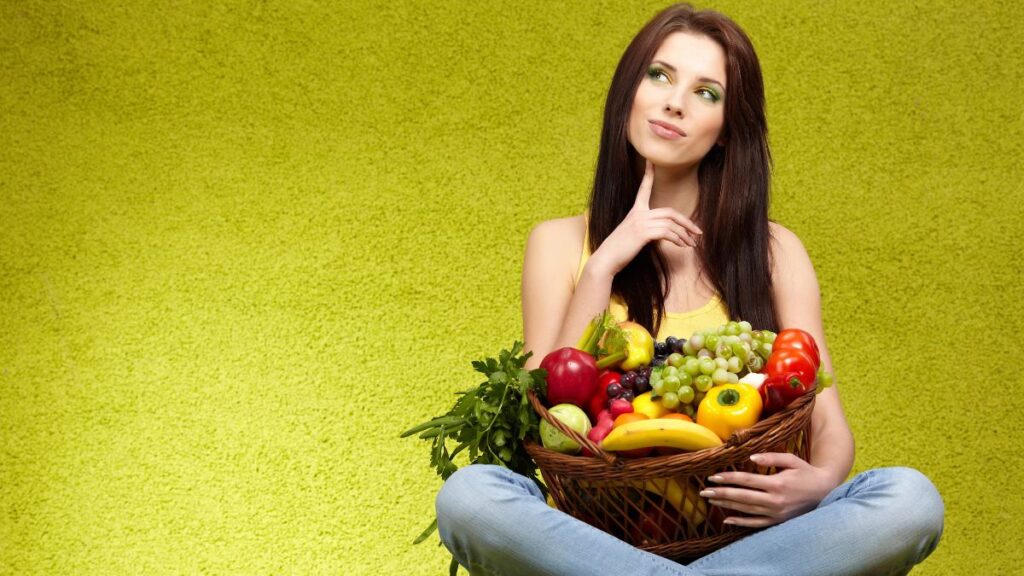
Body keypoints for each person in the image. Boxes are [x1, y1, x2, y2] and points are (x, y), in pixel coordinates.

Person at [434, 4, 944, 575]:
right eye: (660, 75)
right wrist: (603, 266)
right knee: (472, 497)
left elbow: (828, 427)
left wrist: (818, 484)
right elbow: (541, 417)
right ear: (628, 91)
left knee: (909, 500)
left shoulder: (776, 253)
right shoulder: (559, 244)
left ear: (727, 130)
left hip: (756, 539)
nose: (675, 101)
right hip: (605, 543)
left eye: (707, 92)